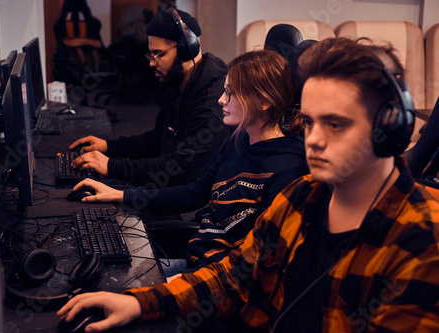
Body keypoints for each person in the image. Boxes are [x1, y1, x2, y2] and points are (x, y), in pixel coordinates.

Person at [57, 38, 439, 332]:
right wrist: (142, 302)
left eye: (335, 124)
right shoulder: (302, 198)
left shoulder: (424, 242)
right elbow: (234, 276)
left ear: (390, 128)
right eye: (309, 121)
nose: (314, 139)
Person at [69, 50, 308, 277]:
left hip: (217, 283)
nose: (221, 100)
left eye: (231, 93)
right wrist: (121, 195)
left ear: (263, 102)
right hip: (196, 265)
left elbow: (255, 267)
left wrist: (180, 287)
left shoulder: (287, 170)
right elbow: (192, 194)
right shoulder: (241, 139)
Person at [68, 8, 230, 188]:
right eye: (150, 54)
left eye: (159, 54)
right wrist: (109, 146)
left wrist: (111, 166)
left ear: (186, 49)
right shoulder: (176, 82)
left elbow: (180, 170)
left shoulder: (213, 102)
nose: (151, 63)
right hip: (170, 187)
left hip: (191, 201)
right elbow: (157, 140)